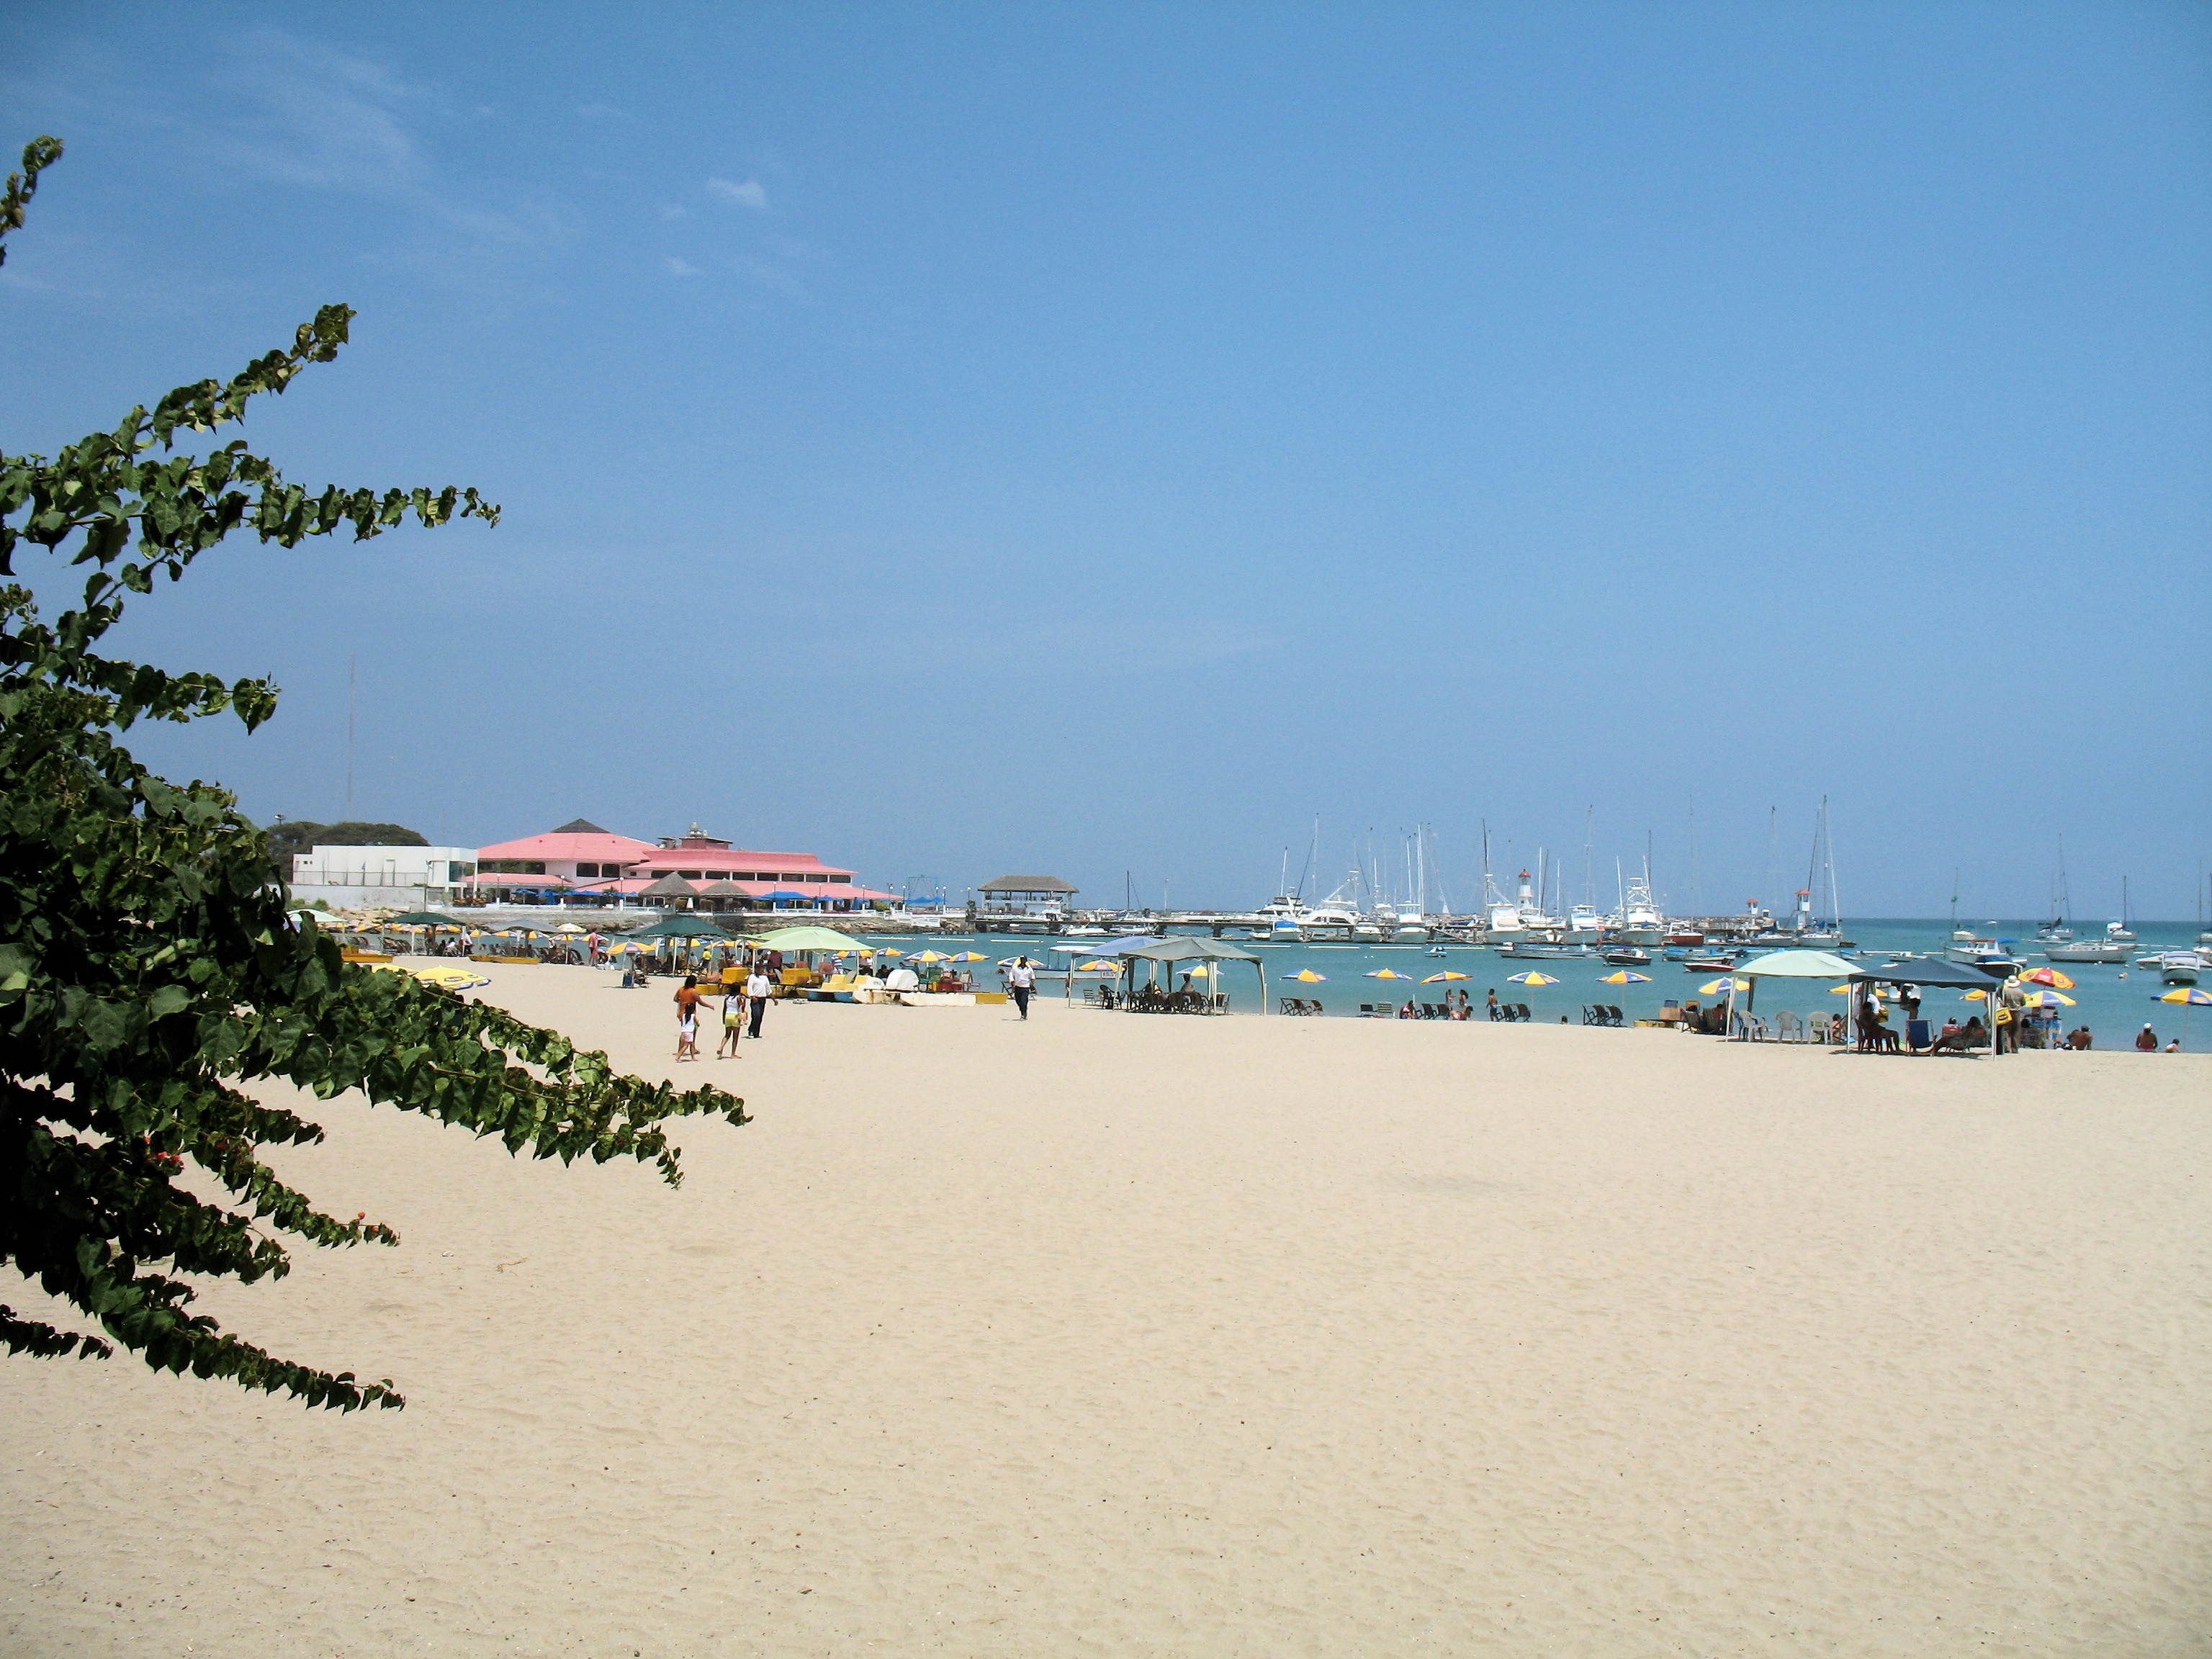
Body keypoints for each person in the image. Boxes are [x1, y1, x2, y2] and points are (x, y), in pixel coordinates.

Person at [716, 981, 745, 1058]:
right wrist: (744, 1000)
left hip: (727, 1016)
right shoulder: (738, 998)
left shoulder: (727, 998)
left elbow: (724, 1009)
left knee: (727, 1035)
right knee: (735, 1037)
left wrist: (723, 1019)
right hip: (735, 1016)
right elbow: (741, 1008)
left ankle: (721, 1047)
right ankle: (733, 1054)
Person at [745, 963, 772, 1040]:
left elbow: (768, 989)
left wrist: (774, 998)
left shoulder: (765, 978)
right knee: (756, 1015)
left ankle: (757, 1033)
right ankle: (751, 1031)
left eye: (762, 968)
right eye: (759, 968)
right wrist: (752, 996)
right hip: (755, 999)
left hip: (763, 999)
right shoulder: (752, 977)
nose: (761, 969)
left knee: (760, 1016)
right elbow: (749, 987)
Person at [1006, 956, 1037, 1020]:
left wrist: (1032, 981)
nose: (1023, 961)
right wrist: (1012, 981)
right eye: (1022, 959)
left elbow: (1032, 976)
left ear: (1026, 961)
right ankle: (1023, 1011)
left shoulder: (1029, 969)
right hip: (1017, 987)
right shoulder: (1015, 968)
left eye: (1024, 960)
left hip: (1025, 987)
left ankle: (1023, 1014)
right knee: (1018, 1001)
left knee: (1023, 1001)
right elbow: (1011, 975)